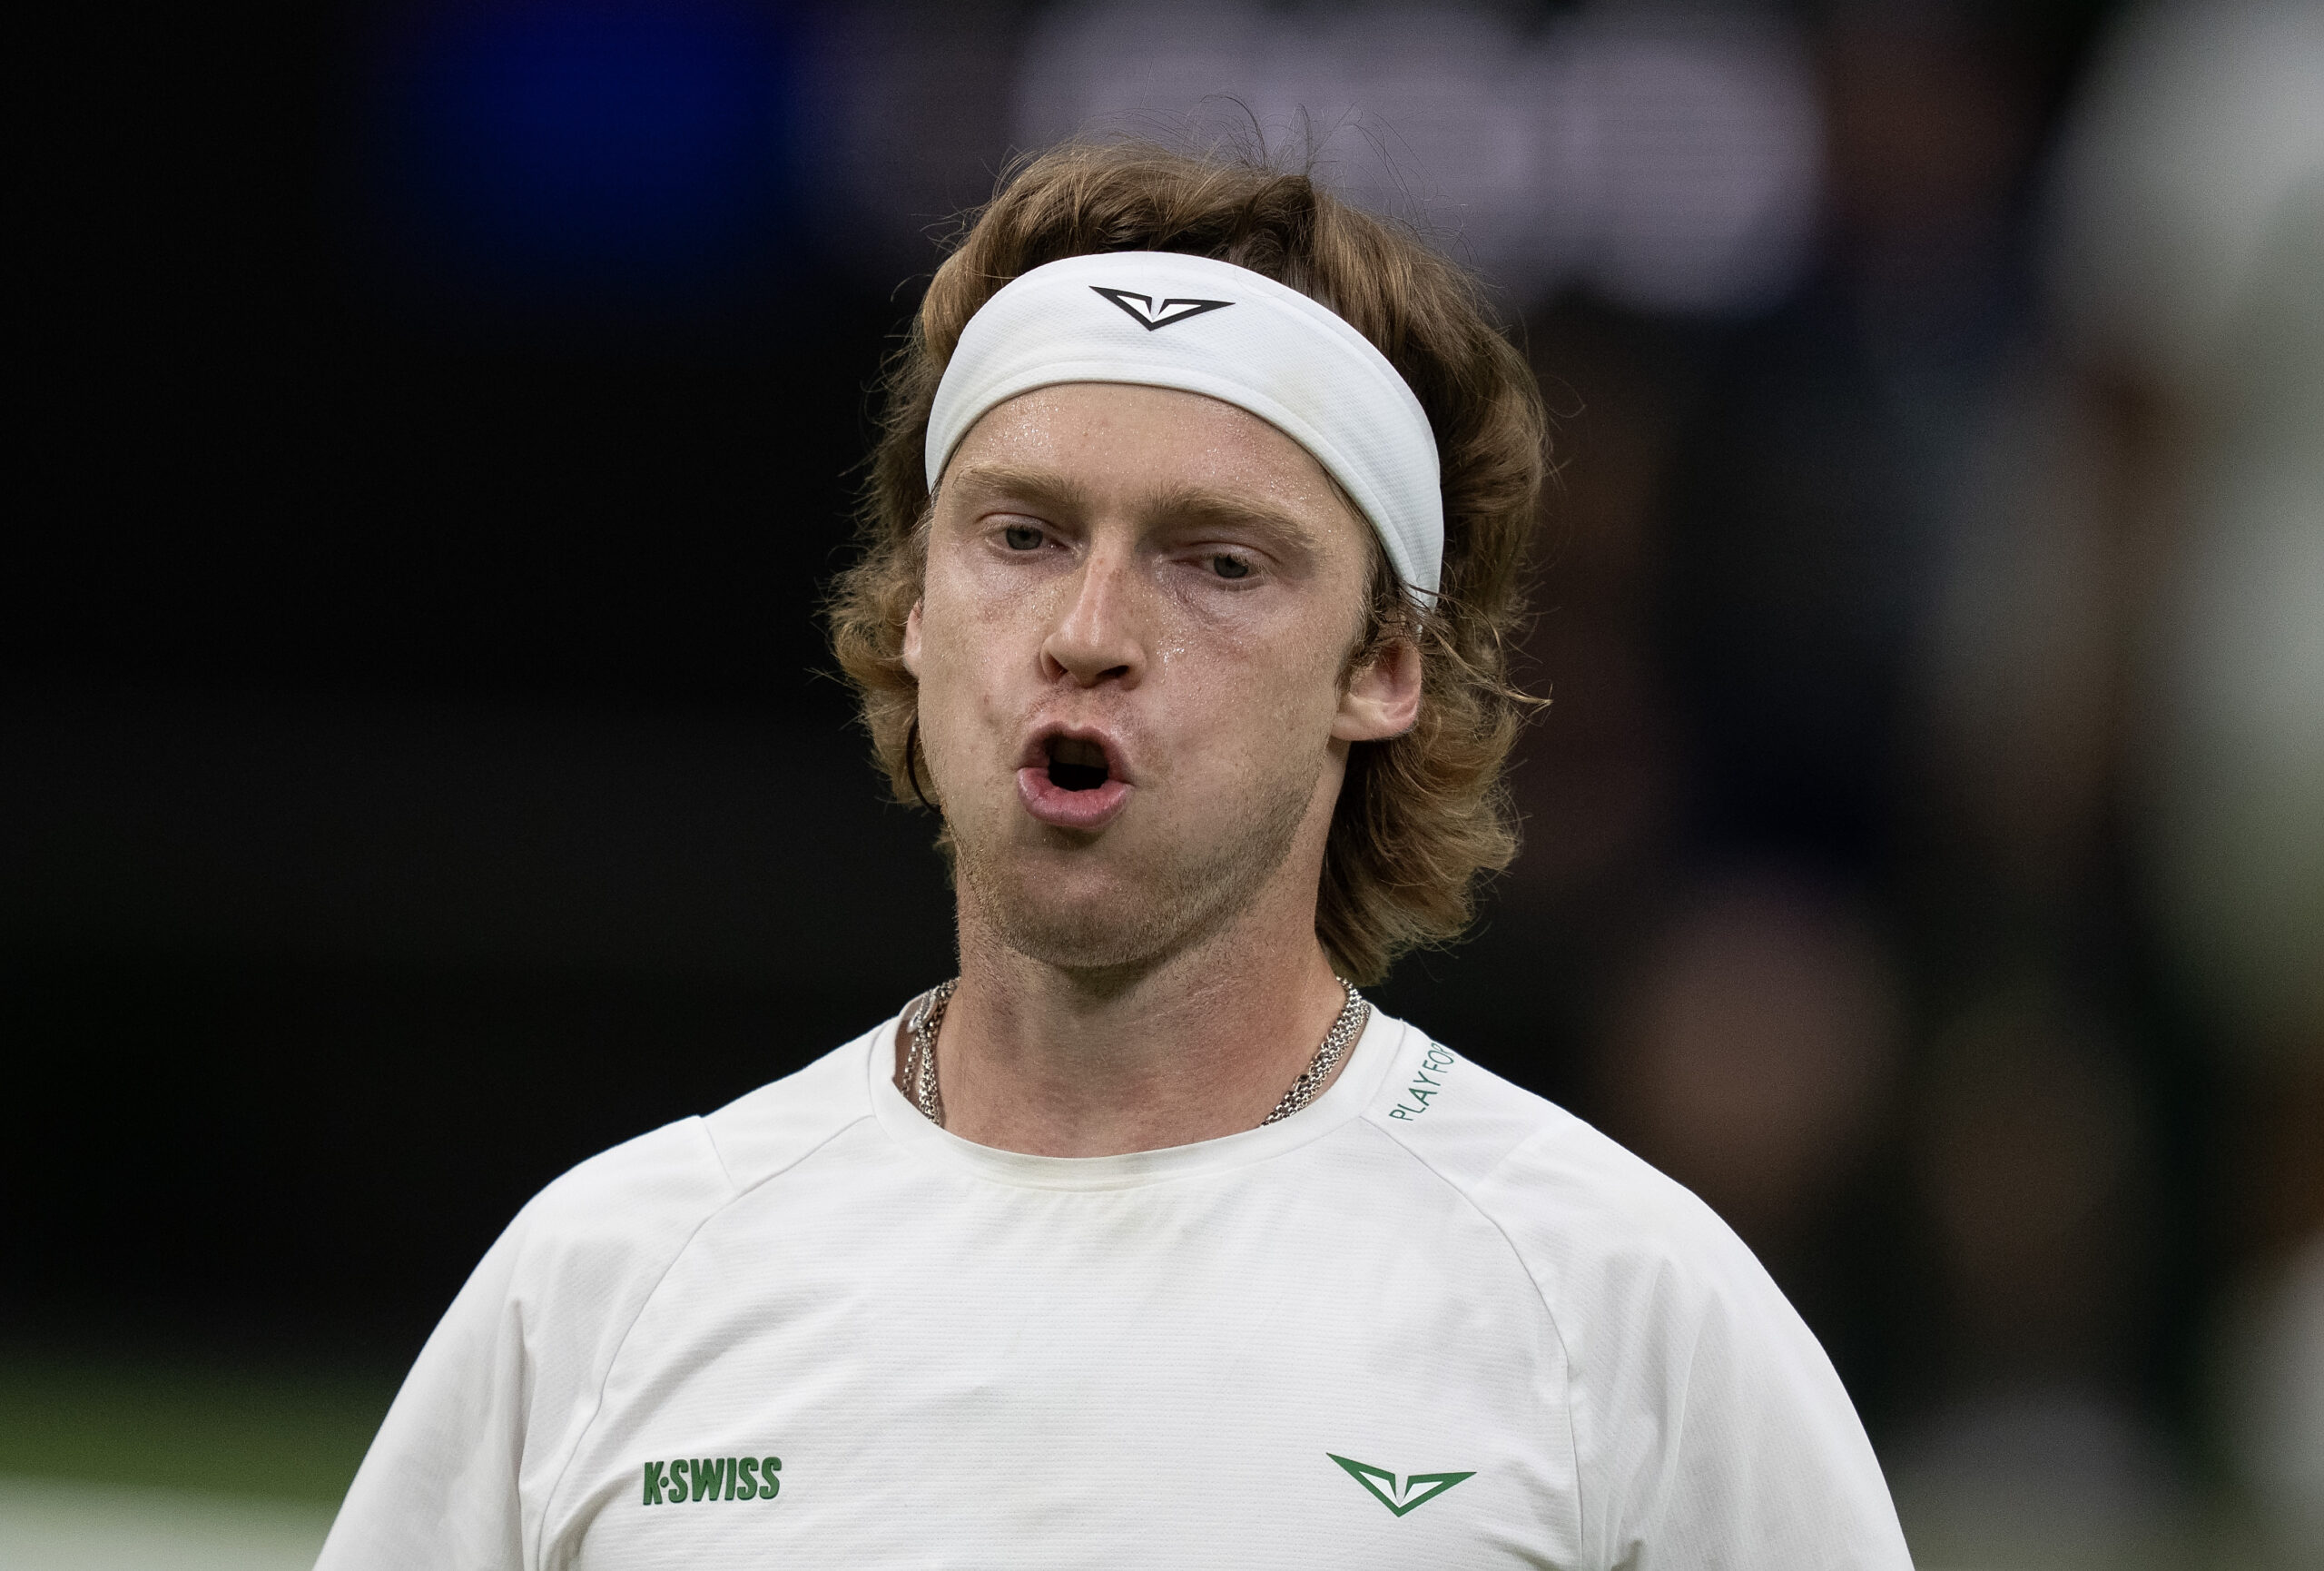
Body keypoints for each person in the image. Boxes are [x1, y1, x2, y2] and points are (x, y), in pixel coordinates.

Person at [317, 143, 1911, 1569]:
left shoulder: (1625, 1315)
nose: (1089, 634)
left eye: (1218, 561)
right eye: (1021, 536)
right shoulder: (608, 1281)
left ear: (1384, 663)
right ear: (919, 609)